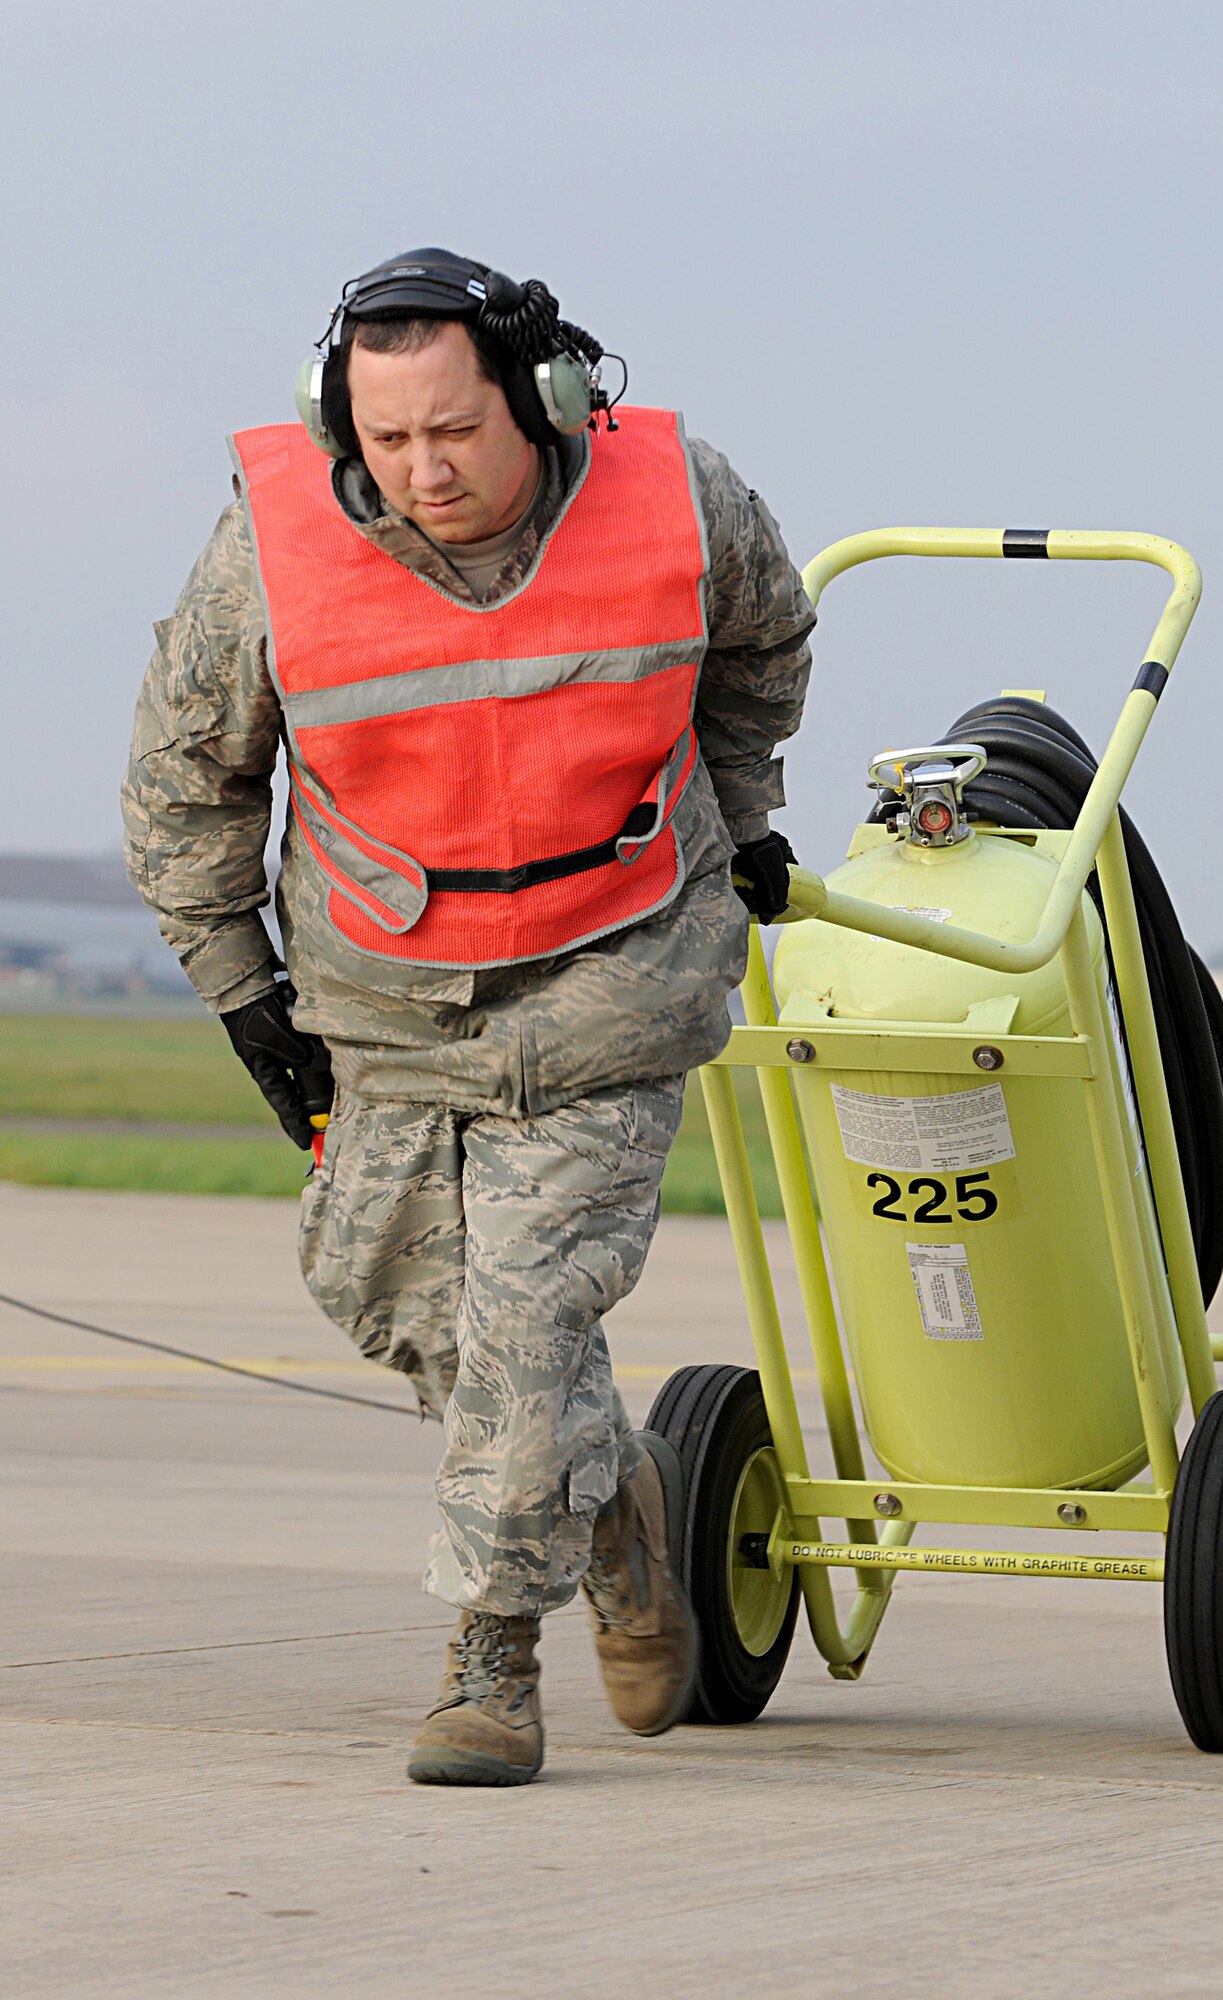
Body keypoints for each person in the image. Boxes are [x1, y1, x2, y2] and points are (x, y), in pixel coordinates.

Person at [122, 248, 814, 1787]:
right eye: (386, 440)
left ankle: (490, 1661)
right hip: (386, 988)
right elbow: (187, 782)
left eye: (455, 432)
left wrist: (744, 805)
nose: (422, 472)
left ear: (547, 400)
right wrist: (244, 996)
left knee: (525, 1304)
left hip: (617, 962)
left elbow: (763, 648)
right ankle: (620, 1505)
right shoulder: (273, 548)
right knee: (392, 1296)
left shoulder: (680, 500)